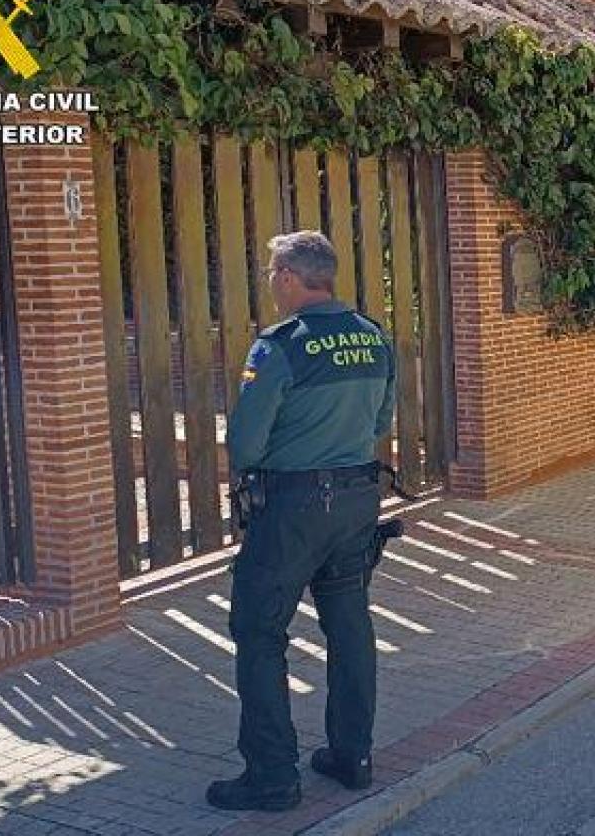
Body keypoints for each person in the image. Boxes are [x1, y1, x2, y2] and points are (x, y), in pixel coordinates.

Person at [207, 231, 396, 812]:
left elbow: (245, 442)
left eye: (271, 272)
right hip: (358, 501)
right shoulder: (372, 337)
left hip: (293, 509)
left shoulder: (279, 346)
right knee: (348, 627)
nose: (269, 282)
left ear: (289, 276)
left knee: (260, 632)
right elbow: (382, 418)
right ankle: (352, 756)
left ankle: (271, 777)